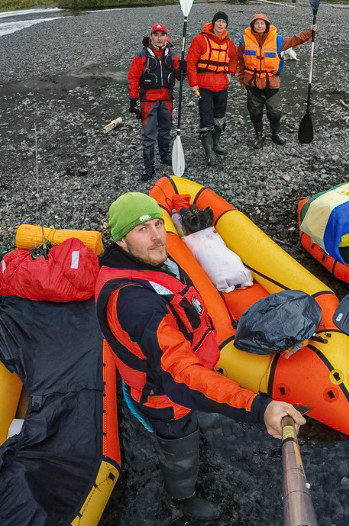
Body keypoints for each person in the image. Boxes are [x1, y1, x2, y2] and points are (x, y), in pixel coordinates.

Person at [95, 192, 306, 521]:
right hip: (166, 398)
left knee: (194, 425)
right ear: (121, 242)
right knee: (179, 446)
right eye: (142, 230)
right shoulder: (136, 304)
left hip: (179, 373)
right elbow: (180, 376)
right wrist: (259, 407)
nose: (155, 237)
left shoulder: (150, 263)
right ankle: (181, 498)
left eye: (157, 225)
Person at [237, 13, 315, 148]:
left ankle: (275, 134)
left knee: (275, 112)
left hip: (271, 82)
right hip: (252, 81)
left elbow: (295, 40)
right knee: (255, 112)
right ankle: (259, 136)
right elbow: (240, 61)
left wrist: (310, 32)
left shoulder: (277, 40)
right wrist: (242, 79)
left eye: (262, 23)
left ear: (267, 25)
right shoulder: (244, 41)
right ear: (252, 26)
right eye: (257, 23)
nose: (259, 26)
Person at [127, 23, 183, 180]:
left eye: (162, 34)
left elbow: (180, 76)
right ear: (151, 36)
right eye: (156, 34)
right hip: (148, 101)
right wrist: (133, 100)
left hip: (166, 99)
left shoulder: (172, 55)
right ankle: (149, 167)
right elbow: (133, 77)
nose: (159, 38)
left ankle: (165, 157)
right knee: (149, 135)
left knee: (165, 131)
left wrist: (182, 69)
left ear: (166, 36)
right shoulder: (142, 56)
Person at [186, 11, 238, 166]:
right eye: (218, 21)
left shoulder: (229, 43)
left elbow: (234, 59)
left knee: (220, 117)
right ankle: (209, 152)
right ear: (213, 23)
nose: (221, 25)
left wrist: (231, 73)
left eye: (224, 22)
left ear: (226, 25)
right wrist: (193, 83)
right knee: (206, 119)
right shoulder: (200, 39)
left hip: (222, 86)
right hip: (204, 87)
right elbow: (191, 61)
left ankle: (216, 144)